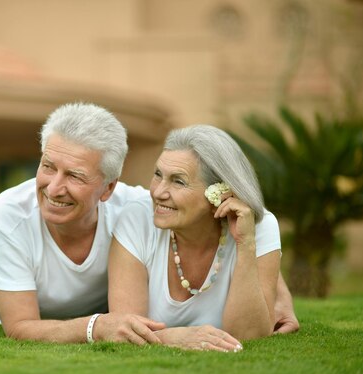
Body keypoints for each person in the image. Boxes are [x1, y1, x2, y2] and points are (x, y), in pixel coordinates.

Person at [0, 103, 299, 346]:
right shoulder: (6, 217)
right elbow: (18, 327)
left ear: (109, 188)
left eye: (74, 175)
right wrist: (98, 326)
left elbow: (239, 238)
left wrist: (274, 285)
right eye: (48, 166)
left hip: (83, 306)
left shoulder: (140, 207)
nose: (54, 187)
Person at [107, 124, 284, 351]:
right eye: (158, 175)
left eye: (178, 181)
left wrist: (245, 243)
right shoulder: (137, 219)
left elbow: (249, 335)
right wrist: (177, 338)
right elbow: (126, 328)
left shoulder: (259, 227)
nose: (158, 192)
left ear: (220, 192)